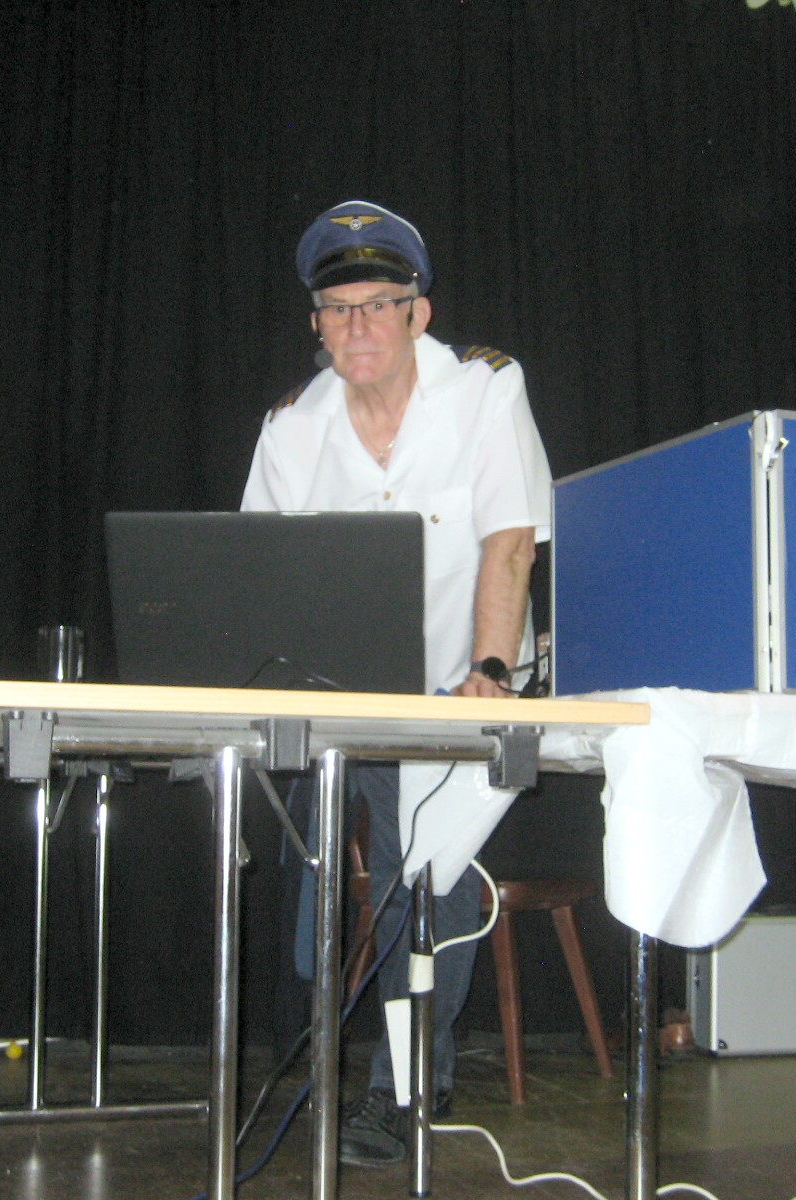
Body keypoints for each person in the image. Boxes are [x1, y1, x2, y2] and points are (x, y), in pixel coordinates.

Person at [240, 200, 553, 1166]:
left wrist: (488, 673)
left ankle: (404, 1086)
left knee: (425, 861)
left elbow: (509, 541)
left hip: (471, 681)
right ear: (317, 324)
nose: (360, 324)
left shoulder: (485, 391)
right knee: (309, 867)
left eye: (380, 303)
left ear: (420, 313)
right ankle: (323, 1050)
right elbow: (257, 574)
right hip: (350, 693)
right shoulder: (291, 430)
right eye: (340, 309)